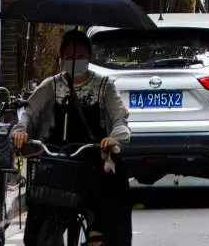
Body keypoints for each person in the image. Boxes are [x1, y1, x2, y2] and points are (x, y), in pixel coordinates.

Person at [13, 29, 131, 246]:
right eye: (69, 56)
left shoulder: (104, 86)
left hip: (94, 159)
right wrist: (21, 132)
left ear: (90, 57)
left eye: (80, 56)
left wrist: (114, 139)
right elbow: (28, 114)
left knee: (114, 197)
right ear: (61, 59)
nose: (75, 61)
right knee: (38, 210)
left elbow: (120, 121)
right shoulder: (50, 86)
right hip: (56, 161)